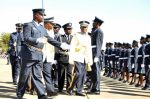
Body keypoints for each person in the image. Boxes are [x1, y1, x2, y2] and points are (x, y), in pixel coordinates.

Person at [16, 8, 69, 99]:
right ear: (36, 15)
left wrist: (61, 45)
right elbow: (26, 38)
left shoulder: (42, 28)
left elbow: (49, 39)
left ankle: (41, 95)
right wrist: (37, 40)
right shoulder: (28, 25)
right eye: (41, 15)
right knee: (24, 75)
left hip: (39, 54)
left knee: (37, 75)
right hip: (29, 53)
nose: (43, 17)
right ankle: (20, 94)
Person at [68, 21, 93, 96]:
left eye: (85, 27)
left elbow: (89, 49)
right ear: (80, 28)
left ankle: (79, 90)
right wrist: (71, 58)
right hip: (77, 56)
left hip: (85, 58)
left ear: (87, 28)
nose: (84, 29)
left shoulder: (88, 37)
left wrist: (90, 60)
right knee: (78, 73)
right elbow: (72, 47)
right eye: (83, 27)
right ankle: (71, 88)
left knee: (82, 75)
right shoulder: (76, 35)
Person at [42, 17, 57, 96]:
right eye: (51, 24)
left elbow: (52, 47)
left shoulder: (51, 32)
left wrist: (52, 58)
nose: (53, 26)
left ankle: (50, 91)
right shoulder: (40, 30)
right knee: (36, 75)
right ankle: (32, 89)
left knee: (48, 74)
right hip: (40, 56)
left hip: (48, 57)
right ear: (46, 24)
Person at [57, 23, 73, 93]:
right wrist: (56, 58)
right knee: (61, 74)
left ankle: (69, 88)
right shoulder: (60, 37)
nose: (70, 30)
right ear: (65, 30)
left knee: (70, 74)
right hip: (62, 57)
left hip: (70, 58)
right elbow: (57, 47)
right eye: (68, 29)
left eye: (70, 29)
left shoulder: (73, 37)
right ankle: (60, 88)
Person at [89, 16, 104, 94]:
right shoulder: (94, 31)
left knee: (96, 71)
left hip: (95, 53)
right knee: (93, 72)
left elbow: (98, 44)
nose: (92, 23)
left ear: (97, 23)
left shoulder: (99, 31)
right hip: (92, 52)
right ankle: (93, 88)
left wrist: (97, 56)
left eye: (94, 22)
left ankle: (97, 89)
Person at [52, 23, 61, 88]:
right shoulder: (50, 35)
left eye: (56, 28)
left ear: (59, 29)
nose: (54, 29)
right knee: (50, 69)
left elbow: (59, 46)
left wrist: (56, 56)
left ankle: (56, 82)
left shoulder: (60, 36)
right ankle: (51, 81)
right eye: (53, 27)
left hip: (56, 54)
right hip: (50, 54)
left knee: (57, 69)